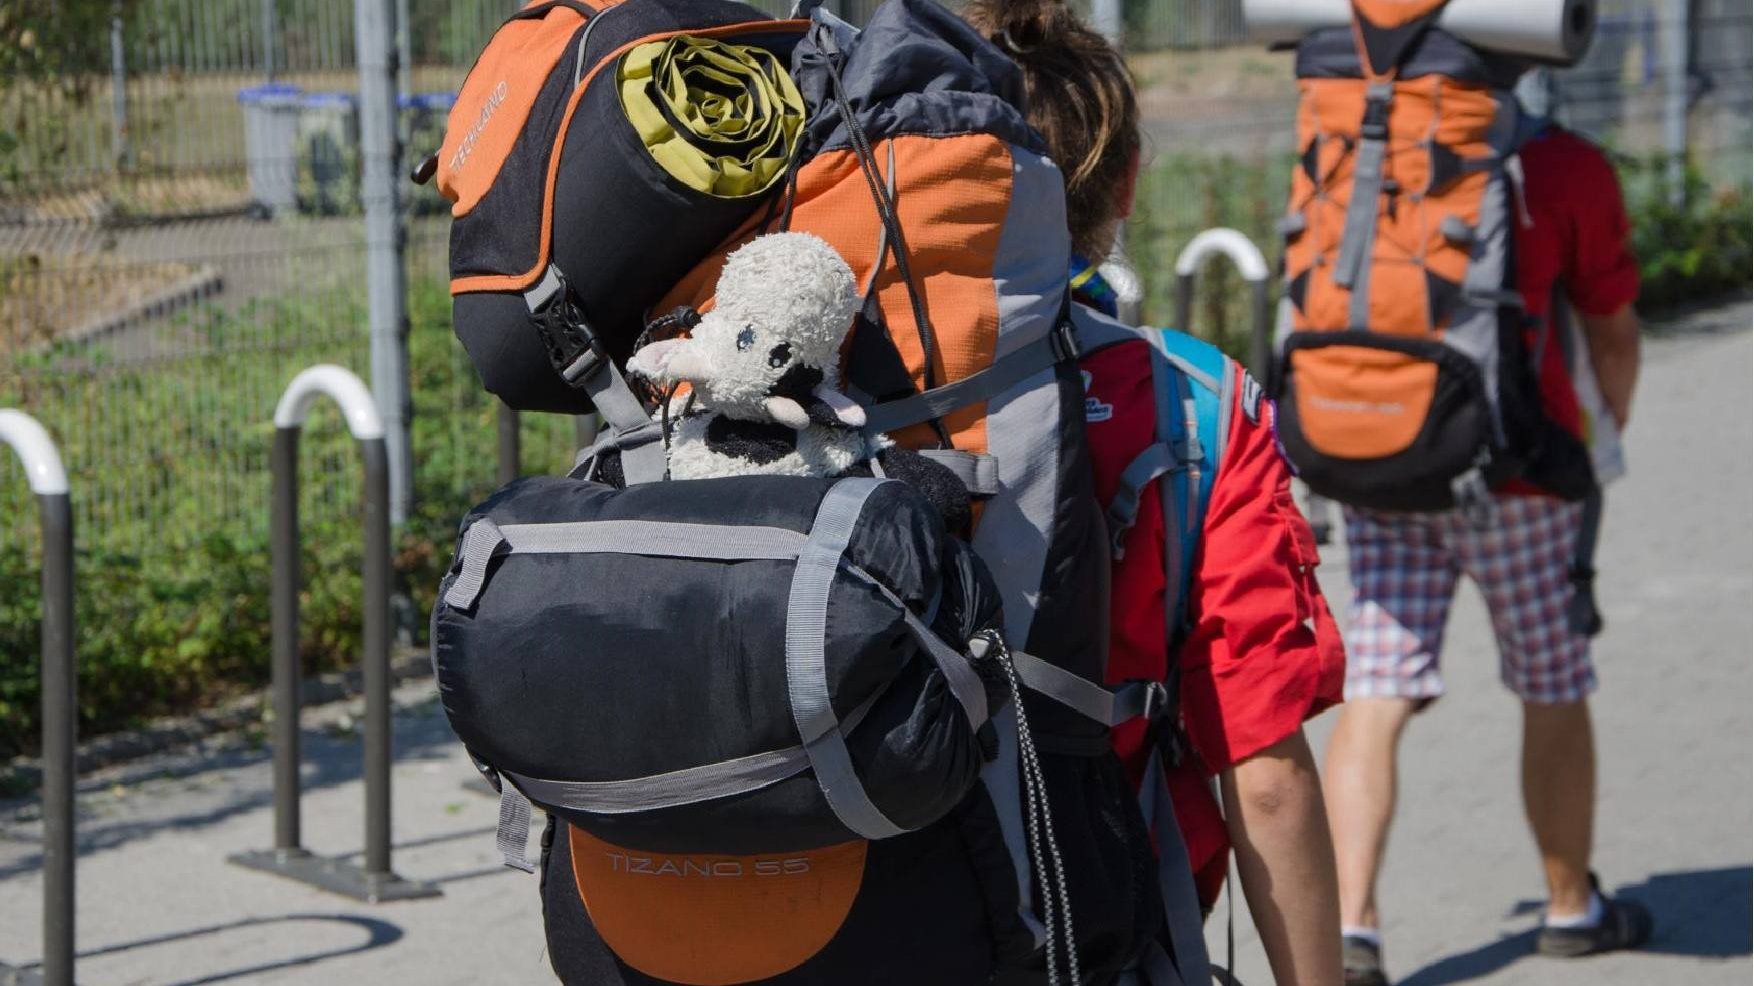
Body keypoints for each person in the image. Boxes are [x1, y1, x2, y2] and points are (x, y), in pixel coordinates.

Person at [962, 2, 1349, 983]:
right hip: (1093, 912)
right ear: (1126, 182)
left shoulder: (827, 381)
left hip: (847, 909)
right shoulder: (1196, 407)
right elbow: (1261, 770)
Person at [1318, 101, 1651, 984]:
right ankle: (1571, 905)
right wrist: (1602, 429)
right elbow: (1613, 327)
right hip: (1524, 473)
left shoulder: (1358, 142)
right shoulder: (1563, 166)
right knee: (1551, 680)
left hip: (1385, 458)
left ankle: (1351, 929)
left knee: (1377, 689)